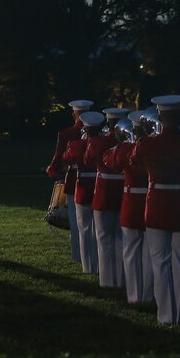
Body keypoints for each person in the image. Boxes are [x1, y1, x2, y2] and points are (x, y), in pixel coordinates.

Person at [130, 95, 180, 324]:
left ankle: (165, 315)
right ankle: (179, 314)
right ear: (178, 115)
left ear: (160, 117)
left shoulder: (147, 143)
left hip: (157, 204)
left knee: (159, 261)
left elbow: (135, 163)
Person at [102, 110, 154, 304]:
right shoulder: (153, 147)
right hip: (151, 200)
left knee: (131, 250)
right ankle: (149, 295)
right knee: (150, 251)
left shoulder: (124, 149)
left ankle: (134, 296)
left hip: (131, 201)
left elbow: (109, 161)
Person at [46, 99, 92, 265]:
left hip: (74, 178)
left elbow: (58, 157)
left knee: (75, 220)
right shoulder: (98, 133)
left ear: (74, 114)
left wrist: (51, 169)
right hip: (96, 179)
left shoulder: (66, 134)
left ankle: (78, 254)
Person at [86, 107, 129, 289]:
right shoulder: (129, 144)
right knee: (121, 237)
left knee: (103, 238)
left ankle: (106, 280)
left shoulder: (99, 142)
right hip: (123, 191)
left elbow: (87, 160)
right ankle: (122, 278)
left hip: (103, 191)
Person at [62, 111, 105, 275]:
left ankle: (88, 265)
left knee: (84, 227)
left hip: (82, 187)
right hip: (99, 186)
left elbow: (66, 158)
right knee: (98, 229)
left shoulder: (76, 144)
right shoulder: (105, 143)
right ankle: (100, 263)